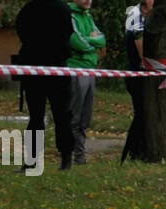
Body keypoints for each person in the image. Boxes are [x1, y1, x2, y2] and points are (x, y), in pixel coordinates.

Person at [16, 0, 75, 170]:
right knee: (62, 115)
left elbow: (21, 31)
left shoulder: (29, 8)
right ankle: (66, 158)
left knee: (35, 116)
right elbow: (68, 33)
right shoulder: (63, 8)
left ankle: (31, 160)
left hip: (33, 67)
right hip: (57, 67)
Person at [66, 0, 104, 165]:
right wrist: (92, 44)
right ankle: (70, 154)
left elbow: (102, 39)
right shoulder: (69, 15)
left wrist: (91, 42)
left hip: (90, 69)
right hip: (76, 69)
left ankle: (80, 156)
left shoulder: (87, 16)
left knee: (85, 118)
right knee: (74, 116)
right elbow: (77, 42)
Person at [123, 0, 153, 161]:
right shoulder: (135, 14)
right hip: (137, 72)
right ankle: (134, 150)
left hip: (143, 73)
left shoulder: (153, 14)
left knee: (145, 112)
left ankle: (138, 149)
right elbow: (139, 42)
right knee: (142, 112)